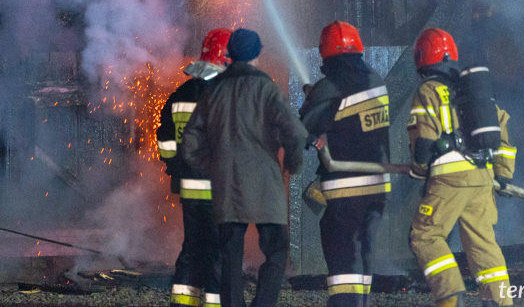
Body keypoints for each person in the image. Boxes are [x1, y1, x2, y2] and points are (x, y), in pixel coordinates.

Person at [182, 28, 308, 307]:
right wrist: (292, 163)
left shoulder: (213, 91)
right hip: (266, 188)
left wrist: (213, 166)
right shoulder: (266, 88)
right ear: (257, 54)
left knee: (229, 257)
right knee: (276, 251)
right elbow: (296, 134)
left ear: (230, 55)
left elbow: (189, 143)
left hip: (227, 189)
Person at [406, 28, 517, 307]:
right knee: (483, 244)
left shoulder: (427, 91)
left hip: (448, 178)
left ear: (422, 58)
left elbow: (424, 141)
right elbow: (502, 129)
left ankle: (450, 296)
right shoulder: (474, 90)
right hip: (482, 176)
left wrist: (419, 170)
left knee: (425, 236)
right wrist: (503, 173)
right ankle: (500, 302)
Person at [299, 21, 390, 307]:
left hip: (346, 189)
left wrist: (312, 100)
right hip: (377, 187)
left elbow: (303, 130)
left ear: (325, 52)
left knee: (342, 260)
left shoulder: (329, 86)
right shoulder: (376, 80)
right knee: (363, 254)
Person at [157, 28, 232, 307]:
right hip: (218, 188)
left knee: (192, 246)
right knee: (217, 250)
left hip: (189, 188)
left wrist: (176, 168)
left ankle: (183, 301)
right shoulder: (226, 96)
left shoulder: (180, 94)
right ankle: (215, 302)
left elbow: (164, 140)